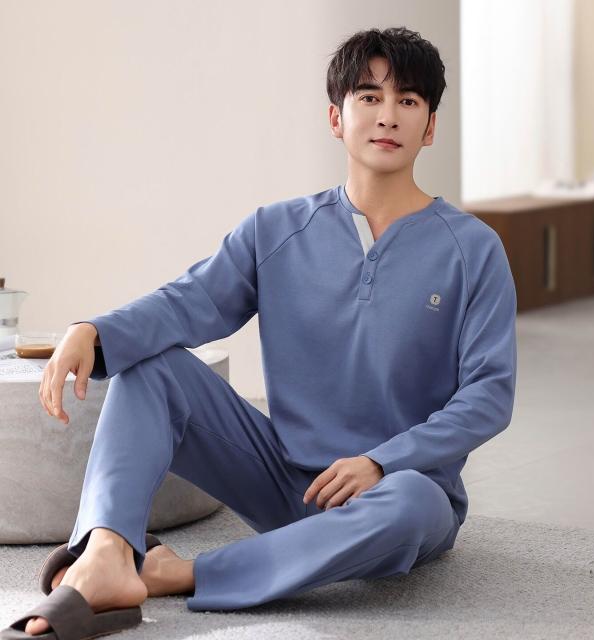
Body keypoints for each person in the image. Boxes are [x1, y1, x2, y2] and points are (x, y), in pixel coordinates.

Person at [18, 26, 517, 637]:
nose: (388, 115)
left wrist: (381, 463)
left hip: (397, 493)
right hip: (284, 481)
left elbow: (488, 395)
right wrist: (93, 329)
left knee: (415, 506)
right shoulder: (275, 229)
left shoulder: (473, 249)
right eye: (369, 97)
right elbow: (190, 302)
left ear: (430, 126)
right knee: (148, 363)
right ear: (336, 117)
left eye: (407, 101)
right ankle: (105, 554)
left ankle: (184, 573)